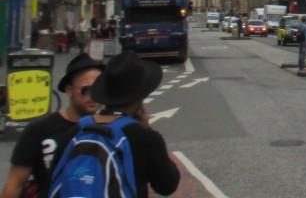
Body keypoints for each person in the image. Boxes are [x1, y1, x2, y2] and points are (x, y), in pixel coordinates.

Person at [61, 50, 180, 196]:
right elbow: (167, 186)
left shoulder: (79, 128)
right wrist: (147, 128)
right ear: (140, 97)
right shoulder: (146, 138)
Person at [1, 54, 105, 198]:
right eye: (86, 90)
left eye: (99, 89)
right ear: (69, 91)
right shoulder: (39, 130)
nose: (93, 96)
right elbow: (15, 183)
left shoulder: (109, 129)